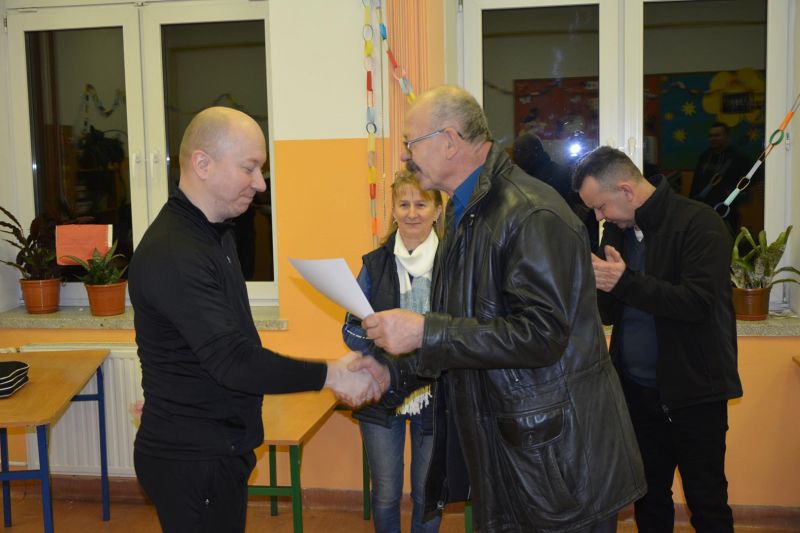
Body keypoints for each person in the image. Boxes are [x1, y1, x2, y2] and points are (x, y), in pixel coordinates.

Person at [350, 86, 646, 532]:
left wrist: (425, 331)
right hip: (511, 446)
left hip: (556, 466)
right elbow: (469, 331)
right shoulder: (465, 213)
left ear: (449, 141)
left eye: (411, 142)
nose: (405, 155)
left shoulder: (529, 214)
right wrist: (391, 376)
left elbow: (541, 335)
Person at [128, 106, 381, 533]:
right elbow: (234, 361)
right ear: (202, 164)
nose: (261, 184)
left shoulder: (216, 235)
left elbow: (228, 345)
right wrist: (332, 375)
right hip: (193, 460)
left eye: (261, 170)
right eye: (249, 168)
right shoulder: (174, 252)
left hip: (218, 448)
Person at [572, 146, 743, 533]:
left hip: (695, 395)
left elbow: (697, 303)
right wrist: (597, 283)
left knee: (707, 502)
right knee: (648, 499)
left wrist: (624, 282)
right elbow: (610, 313)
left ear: (626, 191)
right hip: (636, 394)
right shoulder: (615, 232)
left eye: (600, 206)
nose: (598, 217)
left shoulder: (700, 223)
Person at [343, 170, 443, 533]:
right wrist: (384, 349)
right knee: (385, 494)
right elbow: (350, 329)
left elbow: (466, 330)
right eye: (404, 204)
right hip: (381, 391)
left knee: (427, 494)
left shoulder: (454, 263)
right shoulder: (374, 264)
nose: (412, 213)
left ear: (437, 211)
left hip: (437, 393)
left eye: (421, 204)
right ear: (393, 210)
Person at [513, 130, 599, 252]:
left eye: (521, 150)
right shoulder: (523, 177)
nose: (517, 156)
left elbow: (581, 211)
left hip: (563, 241)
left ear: (536, 151)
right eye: (515, 151)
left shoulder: (557, 175)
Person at [689, 122, 752, 232]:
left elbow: (751, 181)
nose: (713, 139)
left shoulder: (738, 158)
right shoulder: (704, 157)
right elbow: (696, 183)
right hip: (703, 211)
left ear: (726, 137)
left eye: (717, 135)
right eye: (711, 136)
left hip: (727, 211)